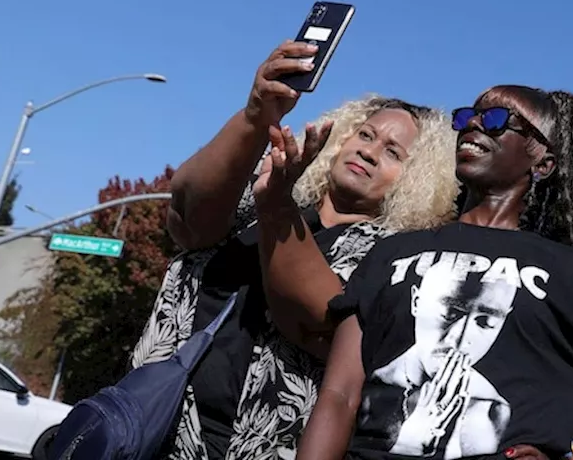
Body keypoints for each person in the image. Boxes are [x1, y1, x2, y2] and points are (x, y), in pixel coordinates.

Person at [263, 84, 573, 460]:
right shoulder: (392, 252)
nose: (474, 124)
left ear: (542, 162)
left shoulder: (568, 272)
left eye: (496, 121)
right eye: (467, 117)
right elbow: (339, 394)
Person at [130, 41, 460, 460]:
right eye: (365, 134)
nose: (369, 151)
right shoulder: (264, 194)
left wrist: (277, 208)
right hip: (152, 428)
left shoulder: (395, 257)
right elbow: (186, 217)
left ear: (418, 180)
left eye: (393, 152)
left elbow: (322, 316)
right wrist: (256, 114)